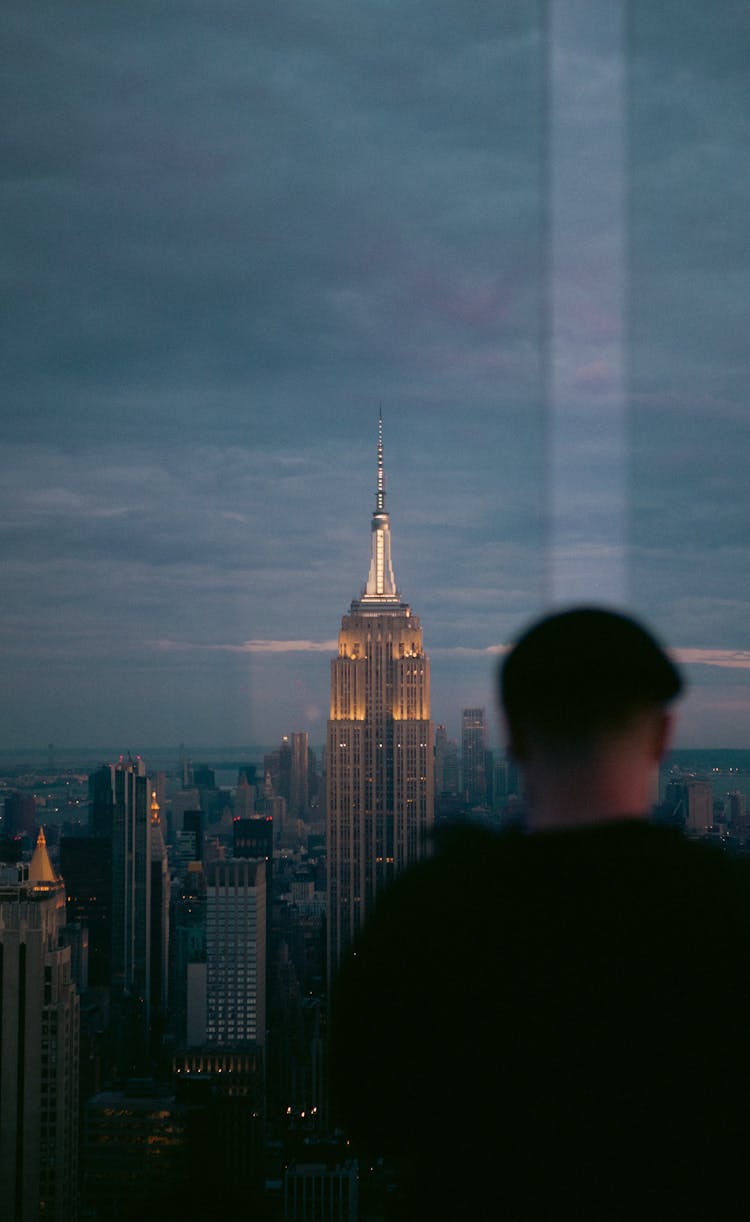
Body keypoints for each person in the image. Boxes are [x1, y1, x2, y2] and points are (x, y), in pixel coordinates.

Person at [330, 607, 750, 1220]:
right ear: (662, 737)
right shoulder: (728, 909)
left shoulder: (430, 913)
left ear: (515, 737)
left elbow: (372, 1114)